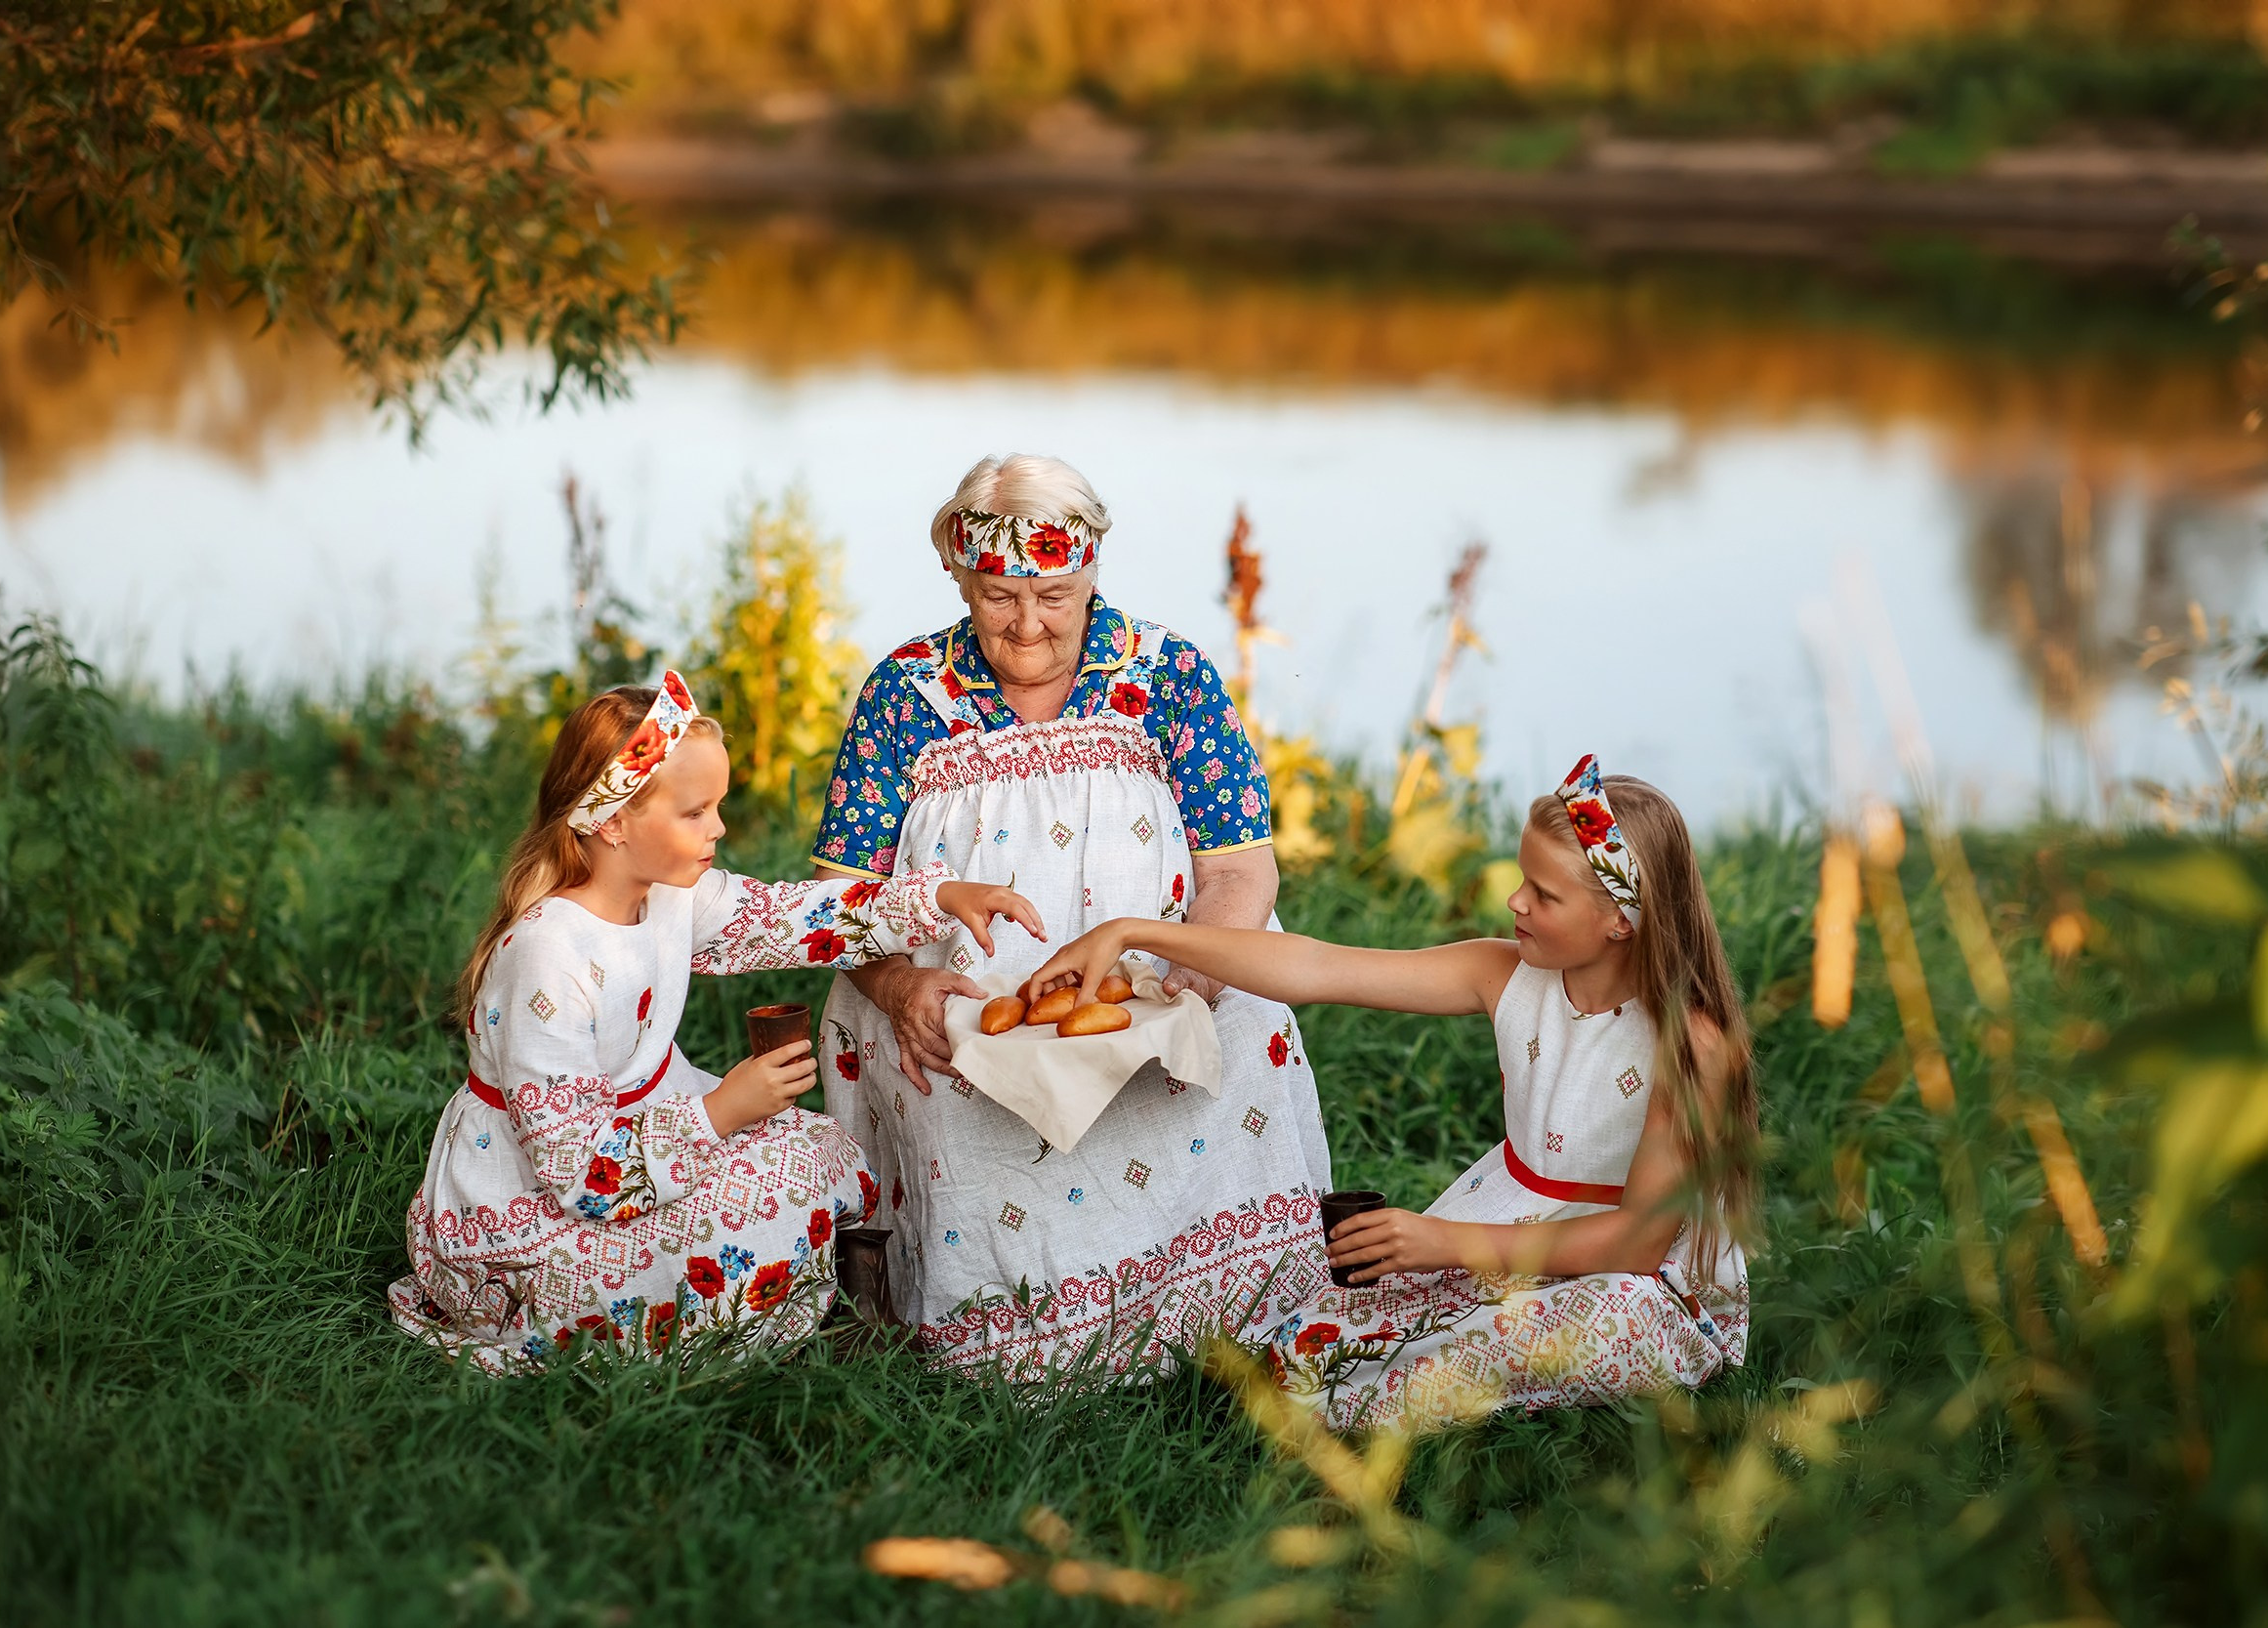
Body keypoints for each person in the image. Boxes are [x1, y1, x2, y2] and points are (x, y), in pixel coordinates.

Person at [1025, 757, 1753, 1429]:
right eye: (1522, 879)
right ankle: (1382, 1381)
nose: (1514, 900)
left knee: (1605, 1317)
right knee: (1309, 1340)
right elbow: (1314, 966)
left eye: (1544, 894)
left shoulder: (1691, 1043)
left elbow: (1634, 1244)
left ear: (1619, 920)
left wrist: (1442, 1242)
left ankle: (1397, 1394)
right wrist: (1134, 933)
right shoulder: (1504, 974)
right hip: (1506, 1232)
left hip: (1638, 1280)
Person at [809, 453, 1334, 1379]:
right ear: (959, 575)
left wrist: (1188, 983)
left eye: (1053, 594)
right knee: (935, 1075)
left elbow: (1241, 869)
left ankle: (1229, 1320)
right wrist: (897, 987)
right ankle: (998, 1344)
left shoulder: (1168, 674)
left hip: (1164, 980)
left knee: (1251, 1026)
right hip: (957, 1007)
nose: (1027, 623)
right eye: (999, 595)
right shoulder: (905, 691)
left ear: (1091, 571)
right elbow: (839, 892)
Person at [390, 671, 1040, 1372]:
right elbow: (581, 1175)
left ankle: (822, 1307)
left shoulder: (671, 895)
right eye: (695, 812)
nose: (719, 829)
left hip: (646, 1134)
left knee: (819, 1150)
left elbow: (790, 918)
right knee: (753, 1217)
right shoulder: (547, 957)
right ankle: (764, 1328)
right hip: (534, 1205)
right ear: (613, 821)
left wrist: (936, 897)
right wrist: (724, 1109)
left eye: (717, 806)